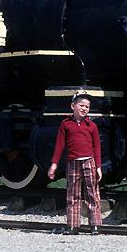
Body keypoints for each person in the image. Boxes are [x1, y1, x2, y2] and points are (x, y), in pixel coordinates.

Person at [48, 91, 102, 235]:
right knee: (73, 194)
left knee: (92, 192)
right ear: (73, 106)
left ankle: (95, 225)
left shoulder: (92, 126)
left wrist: (98, 166)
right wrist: (54, 164)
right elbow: (59, 145)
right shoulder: (66, 124)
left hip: (89, 161)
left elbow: (97, 147)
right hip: (72, 163)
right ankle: (73, 225)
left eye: (87, 107)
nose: (84, 108)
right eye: (81, 105)